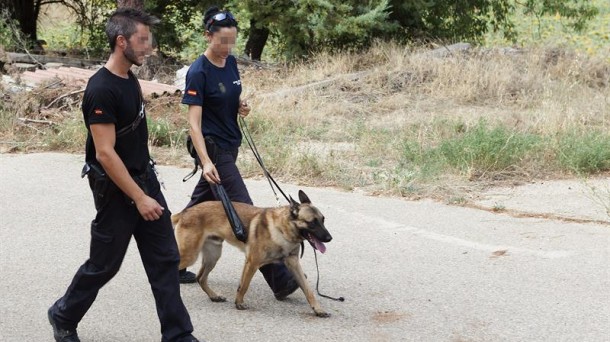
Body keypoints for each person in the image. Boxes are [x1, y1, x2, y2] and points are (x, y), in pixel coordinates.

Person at [47, 8, 200, 342]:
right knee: (104, 265)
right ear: (121, 41)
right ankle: (62, 314)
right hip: (119, 192)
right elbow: (104, 153)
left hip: (144, 182)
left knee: (165, 259)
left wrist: (148, 188)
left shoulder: (129, 78)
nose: (149, 46)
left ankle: (178, 335)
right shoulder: (101, 89)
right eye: (142, 39)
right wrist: (139, 197)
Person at [178, 6, 299, 300]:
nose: (227, 48)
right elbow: (194, 123)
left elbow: (228, 98)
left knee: (200, 205)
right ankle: (280, 278)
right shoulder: (198, 71)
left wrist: (240, 106)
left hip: (230, 145)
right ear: (208, 36)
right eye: (222, 41)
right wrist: (205, 161)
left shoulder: (230, 63)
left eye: (232, 41)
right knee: (242, 209)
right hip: (212, 148)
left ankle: (166, 256)